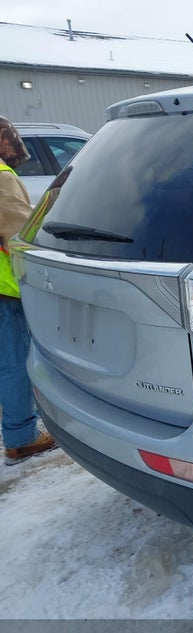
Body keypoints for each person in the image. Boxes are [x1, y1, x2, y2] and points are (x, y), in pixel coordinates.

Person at [0, 116, 55, 465]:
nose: (17, 145)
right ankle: (21, 436)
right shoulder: (3, 179)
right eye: (11, 138)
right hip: (4, 284)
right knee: (16, 359)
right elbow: (20, 233)